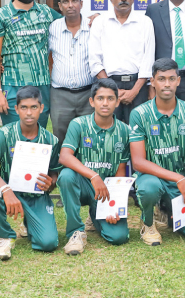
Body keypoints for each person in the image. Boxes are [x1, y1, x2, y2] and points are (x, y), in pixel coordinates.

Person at [129, 59, 185, 246]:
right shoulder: (139, 114)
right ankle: (148, 222)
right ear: (152, 81)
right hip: (153, 178)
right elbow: (138, 162)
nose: (167, 84)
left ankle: (168, 213)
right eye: (161, 79)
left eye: (171, 79)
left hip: (179, 183)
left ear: (178, 81)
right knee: (149, 188)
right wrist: (178, 178)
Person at [0, 86, 62, 260]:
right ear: (16, 109)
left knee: (48, 243)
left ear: (41, 108)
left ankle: (29, 224)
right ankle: (4, 236)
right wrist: (5, 189)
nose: (29, 113)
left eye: (33, 107)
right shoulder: (5, 133)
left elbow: (55, 172)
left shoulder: (50, 140)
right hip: (8, 191)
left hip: (35, 196)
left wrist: (51, 183)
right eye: (24, 107)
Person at [58, 79, 131, 253]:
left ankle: (95, 215)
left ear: (117, 102)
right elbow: (65, 156)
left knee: (118, 237)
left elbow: (121, 170)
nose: (105, 103)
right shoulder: (79, 124)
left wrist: (115, 205)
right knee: (66, 176)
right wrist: (93, 176)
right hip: (83, 184)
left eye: (110, 98)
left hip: (106, 191)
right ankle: (76, 232)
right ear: (92, 101)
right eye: (100, 98)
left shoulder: (125, 130)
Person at [0, 0, 62, 128]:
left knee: (38, 135)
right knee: (15, 136)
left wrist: (94, 18)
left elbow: (71, 22)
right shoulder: (1, 15)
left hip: (42, 85)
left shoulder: (46, 12)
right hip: (13, 85)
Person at [89, 0, 155, 124]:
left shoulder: (145, 22)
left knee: (138, 131)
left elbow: (148, 60)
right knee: (110, 131)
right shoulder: (100, 22)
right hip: (108, 84)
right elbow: (95, 61)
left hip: (138, 86)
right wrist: (113, 90)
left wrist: (134, 91)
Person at [48, 0, 94, 142]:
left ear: (81, 3)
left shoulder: (93, 27)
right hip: (60, 95)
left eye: (74, 1)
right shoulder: (52, 28)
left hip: (88, 93)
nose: (70, 5)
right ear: (60, 6)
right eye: (65, 2)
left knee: (88, 138)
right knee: (60, 138)